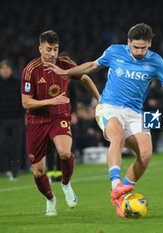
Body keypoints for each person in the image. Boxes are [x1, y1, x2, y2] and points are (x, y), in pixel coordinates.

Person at [45, 23, 163, 218]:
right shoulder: (114, 51)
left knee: (145, 155)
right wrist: (66, 72)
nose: (139, 51)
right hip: (109, 107)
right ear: (128, 42)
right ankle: (115, 185)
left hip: (135, 112)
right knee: (117, 136)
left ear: (150, 44)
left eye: (143, 47)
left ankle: (122, 194)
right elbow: (93, 65)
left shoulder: (156, 61)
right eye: (135, 47)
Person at [21, 30, 100, 216]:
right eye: (48, 49)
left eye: (55, 49)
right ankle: (50, 199)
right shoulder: (30, 70)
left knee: (65, 152)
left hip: (60, 117)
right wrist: (50, 101)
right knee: (38, 172)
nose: (52, 53)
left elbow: (86, 78)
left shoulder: (65, 64)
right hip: (36, 120)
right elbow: (26, 102)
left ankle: (66, 184)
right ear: (40, 49)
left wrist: (100, 99)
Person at [0, 59, 25, 180]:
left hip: (17, 119)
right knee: (2, 144)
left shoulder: (17, 83)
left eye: (6, 68)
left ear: (10, 69)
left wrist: (24, 116)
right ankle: (10, 165)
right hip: (2, 120)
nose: (4, 70)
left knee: (17, 145)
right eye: (2, 68)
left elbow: (24, 100)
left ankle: (14, 171)